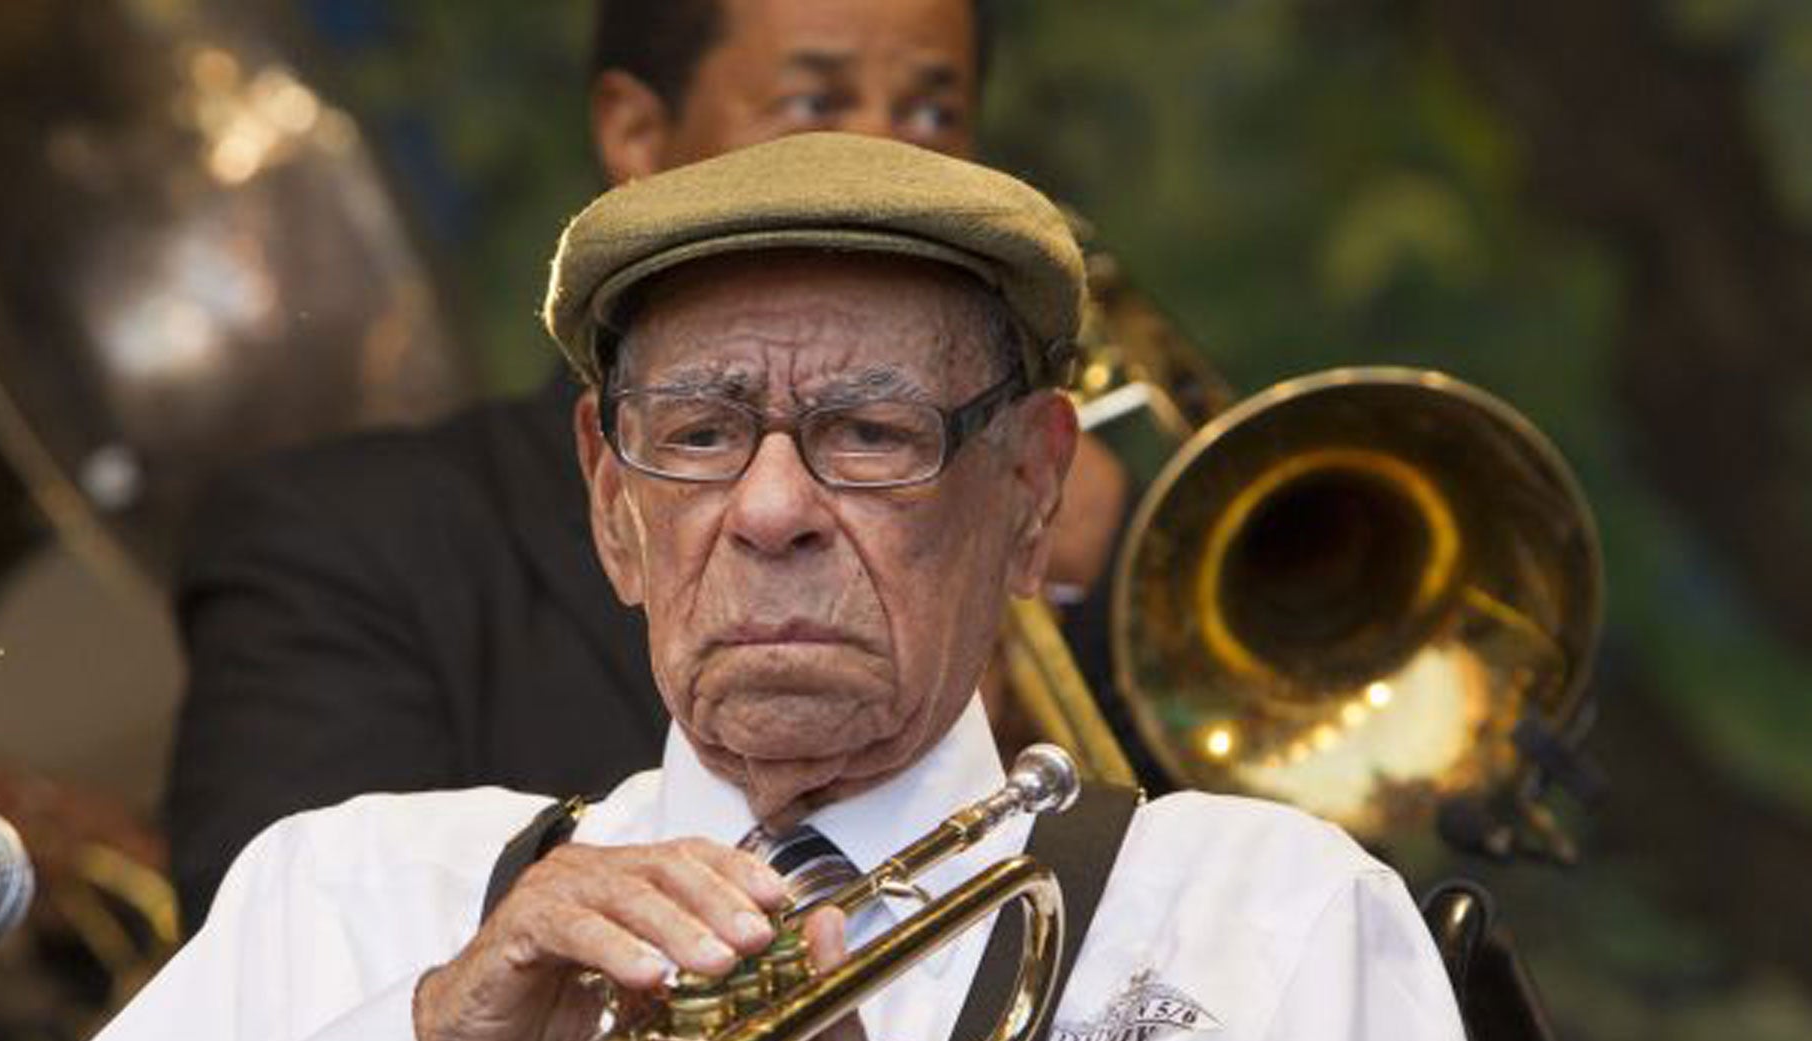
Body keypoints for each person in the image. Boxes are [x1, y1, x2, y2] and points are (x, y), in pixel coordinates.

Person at [0, 135, 1507, 1041]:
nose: (768, 510)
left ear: (1030, 490)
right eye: (697, 433)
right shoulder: (355, 881)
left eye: (871, 433)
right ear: (612, 502)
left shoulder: (1268, 909)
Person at [163, 0, 1129, 931]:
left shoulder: (1037, 530)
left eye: (933, 111)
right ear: (633, 131)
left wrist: (995, 583)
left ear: (1030, 487)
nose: (882, 150)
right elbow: (286, 976)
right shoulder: (338, 539)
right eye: (813, 102)